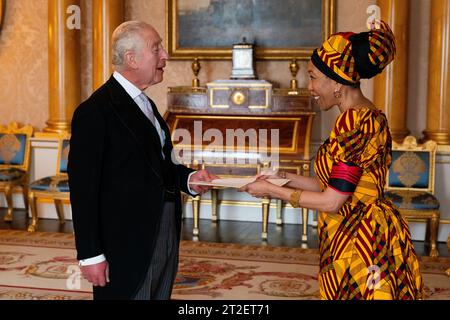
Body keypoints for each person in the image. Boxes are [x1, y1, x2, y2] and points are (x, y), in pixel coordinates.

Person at [239, 21, 424, 300]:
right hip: (350, 230)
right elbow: (329, 185)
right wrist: (281, 178)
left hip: (360, 239)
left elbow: (331, 201)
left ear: (336, 79)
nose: (309, 87)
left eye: (313, 77)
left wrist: (271, 191)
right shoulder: (360, 116)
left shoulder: (354, 121)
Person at [67, 21, 216, 300]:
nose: (165, 56)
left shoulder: (146, 104)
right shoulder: (95, 112)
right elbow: (83, 191)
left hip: (162, 231)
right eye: (156, 48)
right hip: (125, 244)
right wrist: (90, 255)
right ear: (131, 59)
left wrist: (188, 179)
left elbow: (158, 165)